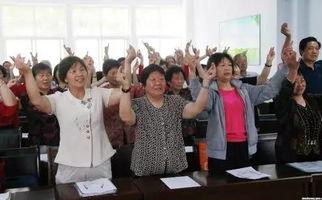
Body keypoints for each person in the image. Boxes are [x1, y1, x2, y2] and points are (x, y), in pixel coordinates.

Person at [12, 54, 121, 184]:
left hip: (100, 160)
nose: (79, 74)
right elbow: (36, 100)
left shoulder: (98, 93)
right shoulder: (59, 98)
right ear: (65, 78)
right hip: (71, 162)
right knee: (67, 194)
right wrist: (27, 72)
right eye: (73, 71)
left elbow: (123, 93)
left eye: (82, 70)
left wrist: (124, 82)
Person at [189, 52, 294, 174]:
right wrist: (193, 75)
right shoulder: (211, 92)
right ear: (213, 69)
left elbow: (269, 90)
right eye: (222, 65)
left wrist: (285, 68)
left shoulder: (244, 89)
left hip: (245, 146)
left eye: (229, 64)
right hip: (221, 150)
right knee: (222, 188)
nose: (227, 68)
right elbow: (200, 103)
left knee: (244, 188)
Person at [118, 46, 216, 176]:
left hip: (175, 165)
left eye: (161, 79)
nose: (158, 83)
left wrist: (205, 83)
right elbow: (126, 118)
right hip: (146, 169)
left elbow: (196, 108)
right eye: (153, 80)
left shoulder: (175, 101)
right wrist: (125, 88)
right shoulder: (138, 104)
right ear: (144, 85)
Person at [274, 49, 322, 163]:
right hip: (291, 157)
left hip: (315, 157)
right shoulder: (283, 102)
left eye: (302, 81)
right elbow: (285, 90)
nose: (300, 85)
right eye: (296, 82)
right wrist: (292, 70)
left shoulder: (311, 100)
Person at [20, 63, 60, 146]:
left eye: (48, 75)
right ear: (34, 78)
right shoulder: (26, 97)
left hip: (60, 140)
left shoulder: (59, 93)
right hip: (37, 141)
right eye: (41, 75)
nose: (45, 78)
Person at [165, 66, 197, 145]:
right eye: (176, 78)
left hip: (188, 134)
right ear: (169, 81)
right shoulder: (164, 97)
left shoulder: (188, 93)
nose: (180, 81)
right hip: (170, 137)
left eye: (182, 78)